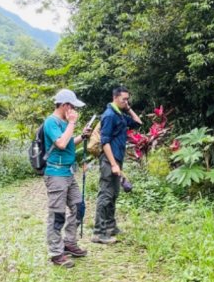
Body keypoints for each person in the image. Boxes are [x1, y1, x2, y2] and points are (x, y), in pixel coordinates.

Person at [43, 89, 90, 268]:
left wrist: (81, 136)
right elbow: (61, 144)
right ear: (64, 105)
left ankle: (69, 242)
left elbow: (68, 142)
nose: (74, 110)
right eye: (72, 106)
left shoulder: (63, 123)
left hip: (69, 173)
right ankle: (56, 253)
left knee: (79, 207)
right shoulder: (51, 122)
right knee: (57, 215)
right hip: (56, 174)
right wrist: (72, 123)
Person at [93, 85, 141, 244]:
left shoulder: (120, 114)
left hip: (116, 160)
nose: (126, 101)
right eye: (123, 99)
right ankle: (98, 232)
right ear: (115, 97)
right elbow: (105, 141)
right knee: (106, 194)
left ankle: (110, 226)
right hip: (109, 160)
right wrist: (113, 164)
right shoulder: (109, 115)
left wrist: (128, 108)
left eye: (128, 99)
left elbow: (137, 123)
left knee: (114, 193)